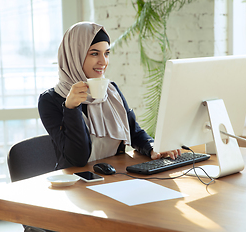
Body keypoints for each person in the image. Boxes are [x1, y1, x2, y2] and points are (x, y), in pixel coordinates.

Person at [38, 22, 180, 170]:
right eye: (94, 53)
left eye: (106, 53)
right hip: (76, 184)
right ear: (74, 55)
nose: (103, 61)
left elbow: (134, 131)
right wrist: (71, 109)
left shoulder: (111, 91)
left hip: (114, 175)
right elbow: (77, 158)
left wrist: (153, 147)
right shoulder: (49, 101)